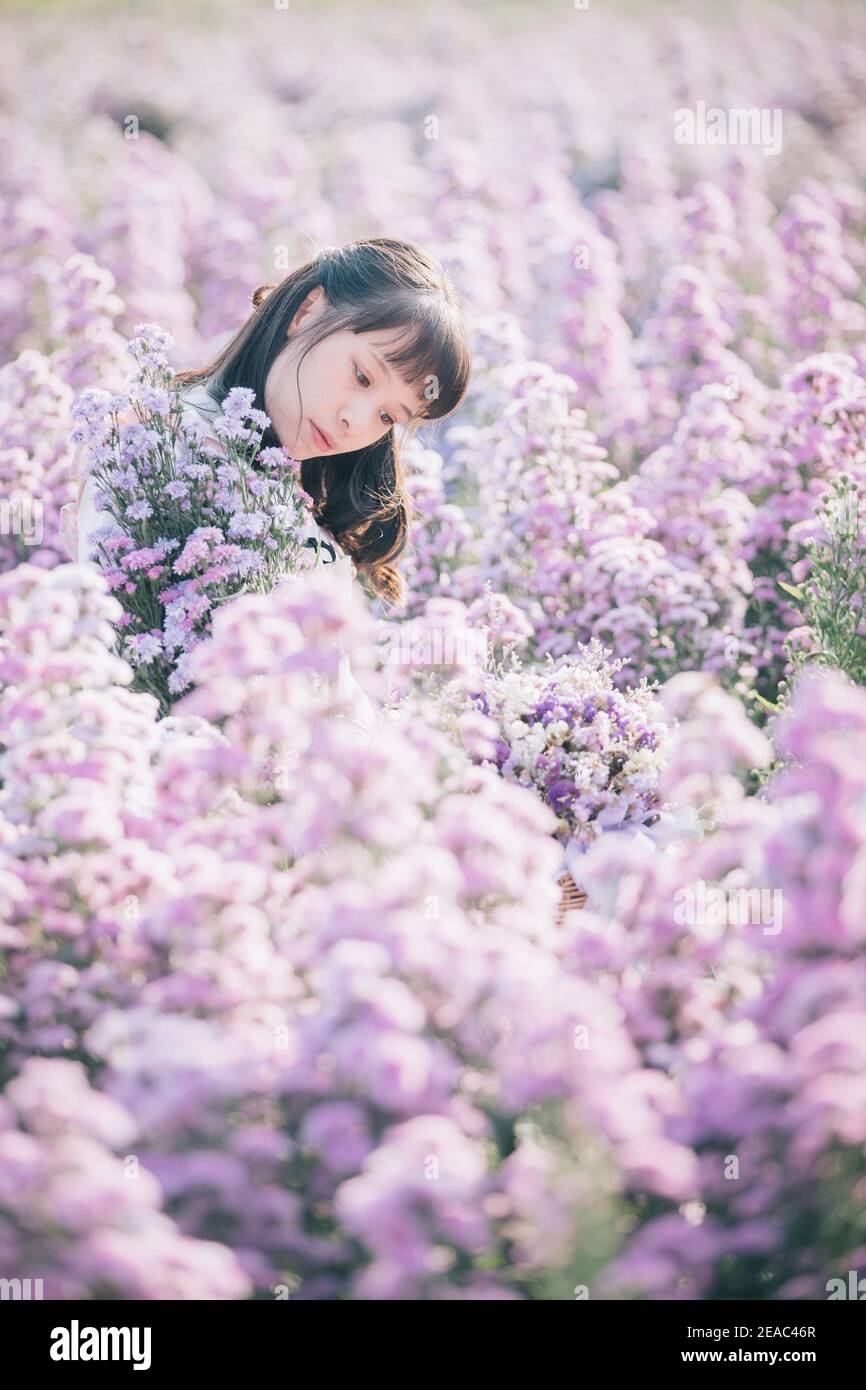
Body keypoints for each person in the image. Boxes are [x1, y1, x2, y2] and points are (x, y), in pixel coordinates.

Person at [60, 237, 473, 735]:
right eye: (362, 377)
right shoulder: (154, 445)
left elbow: (330, 694)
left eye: (388, 415)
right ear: (307, 311)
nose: (354, 421)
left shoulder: (283, 489)